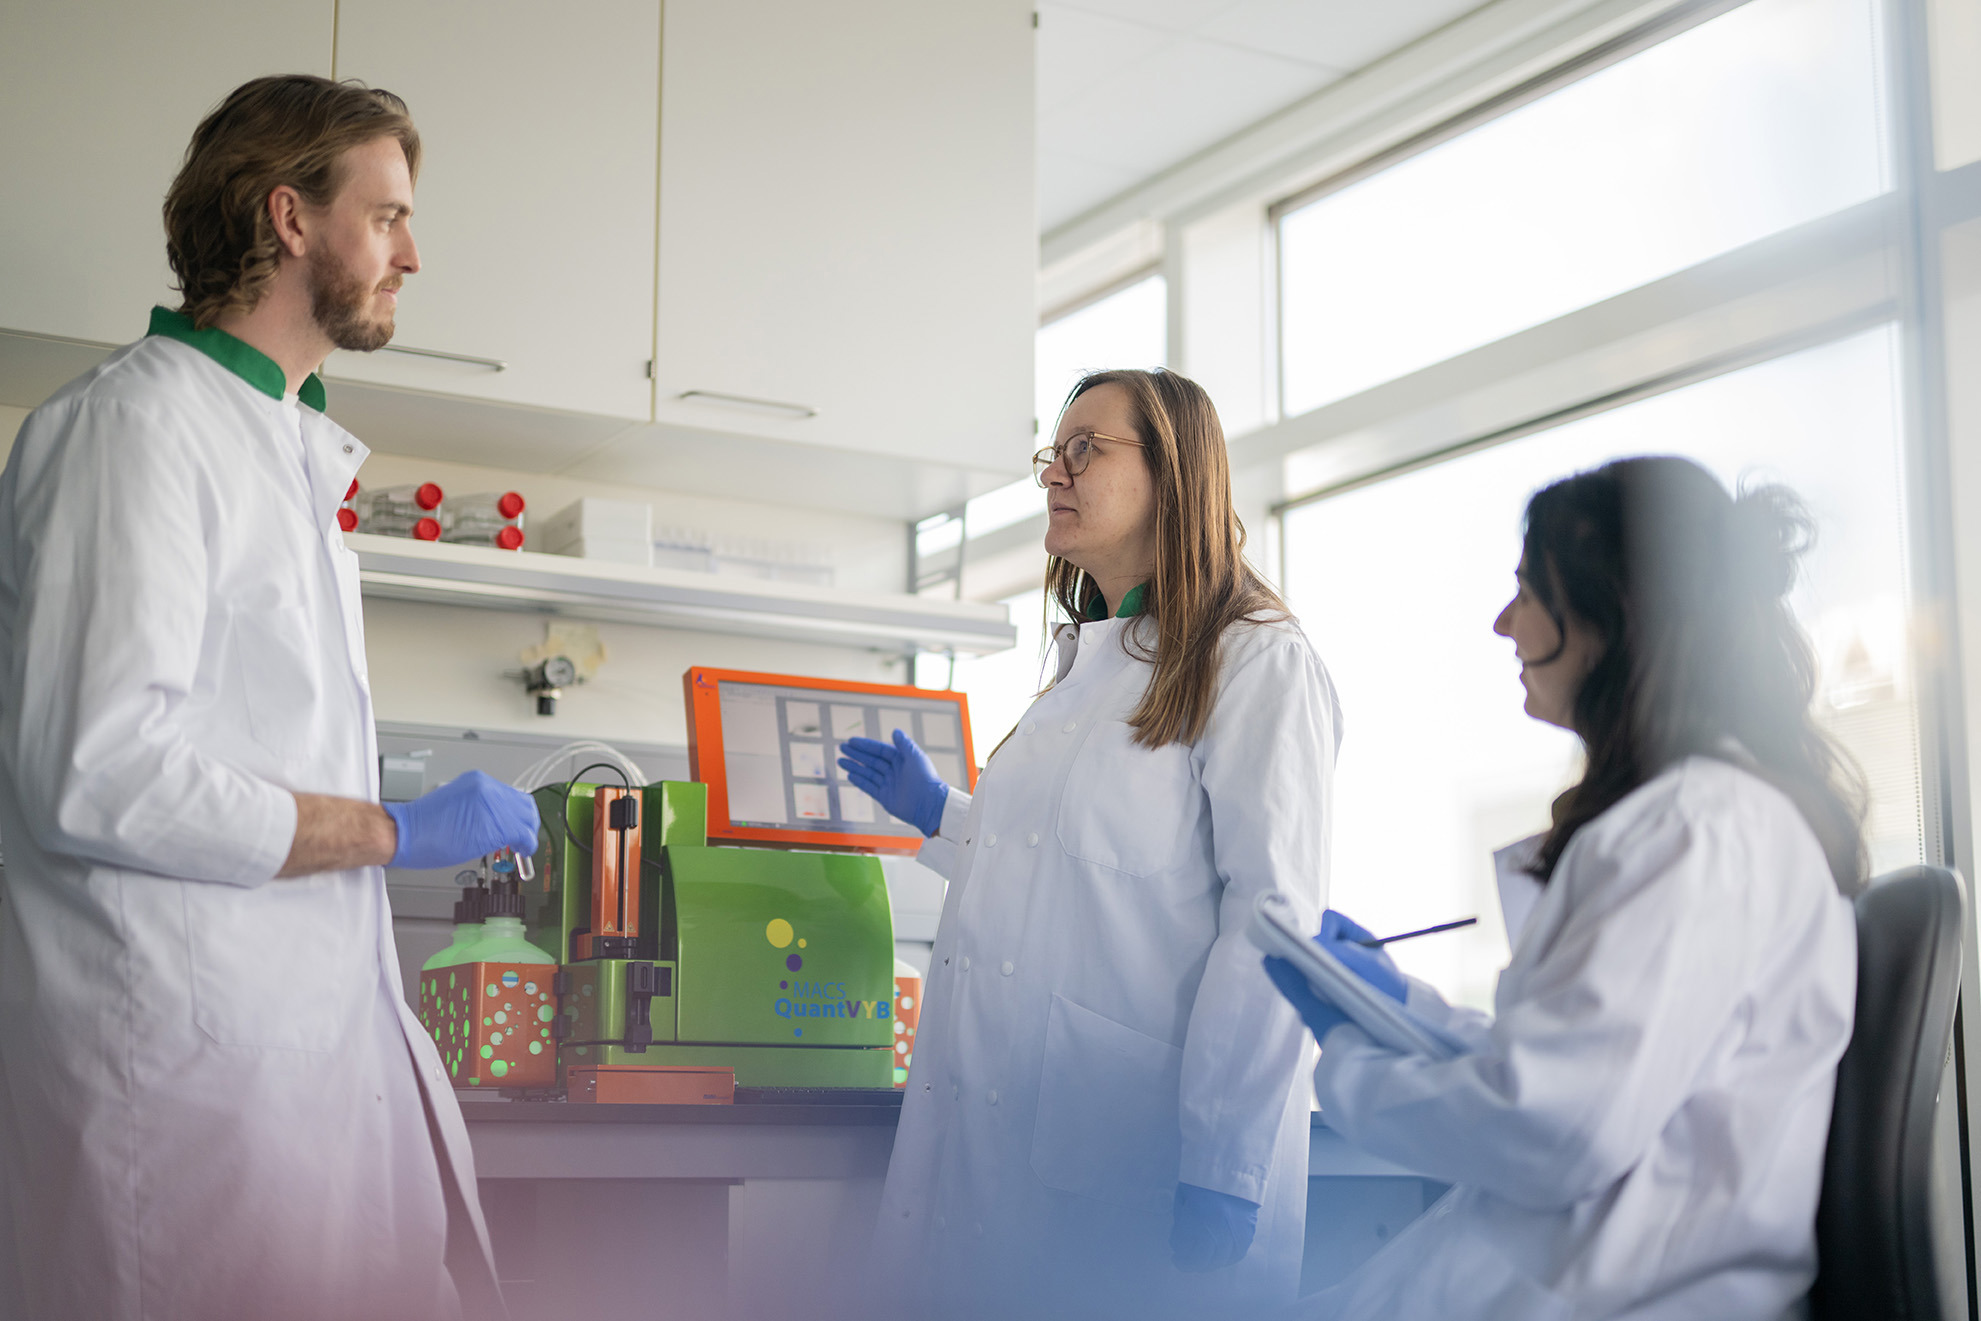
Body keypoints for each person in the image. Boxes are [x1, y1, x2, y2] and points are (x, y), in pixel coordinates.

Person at [0, 75, 542, 1321]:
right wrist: (392, 830)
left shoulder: (277, 442)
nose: (413, 255)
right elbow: (98, 770)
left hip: (291, 1078)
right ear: (290, 218)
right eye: (387, 217)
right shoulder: (133, 428)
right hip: (176, 1098)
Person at [1267, 456, 1862, 1320]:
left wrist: (1351, 1063)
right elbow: (1567, 1067)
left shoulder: (1696, 828)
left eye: (1526, 592)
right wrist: (1401, 1007)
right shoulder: (1691, 819)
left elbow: (1550, 1128)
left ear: (1606, 615)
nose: (1503, 622)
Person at [842, 369, 1341, 1319]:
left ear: (1172, 473)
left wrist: (1224, 1163)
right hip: (996, 1141)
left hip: (1136, 1160)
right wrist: (942, 814)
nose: (1052, 474)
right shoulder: (1089, 663)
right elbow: (1063, 867)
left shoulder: (1256, 660)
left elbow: (1272, 921)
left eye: (1084, 449)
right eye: (1051, 453)